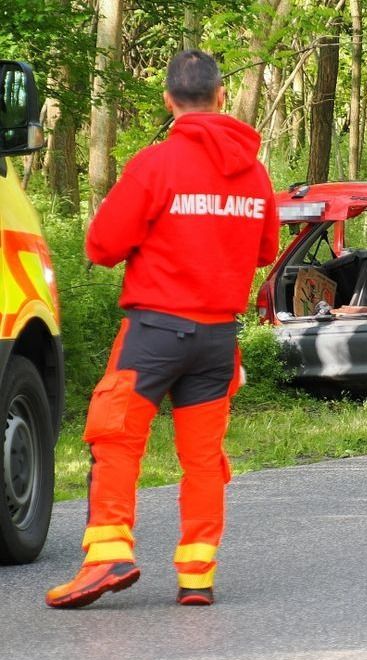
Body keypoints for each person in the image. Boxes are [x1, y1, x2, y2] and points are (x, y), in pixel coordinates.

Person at [46, 50, 280, 609]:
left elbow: (102, 246)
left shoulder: (155, 164)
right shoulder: (254, 173)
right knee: (203, 460)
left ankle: (107, 556)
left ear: (169, 100)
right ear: (222, 97)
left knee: (115, 438)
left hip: (154, 332)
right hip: (219, 340)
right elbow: (266, 250)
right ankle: (197, 575)